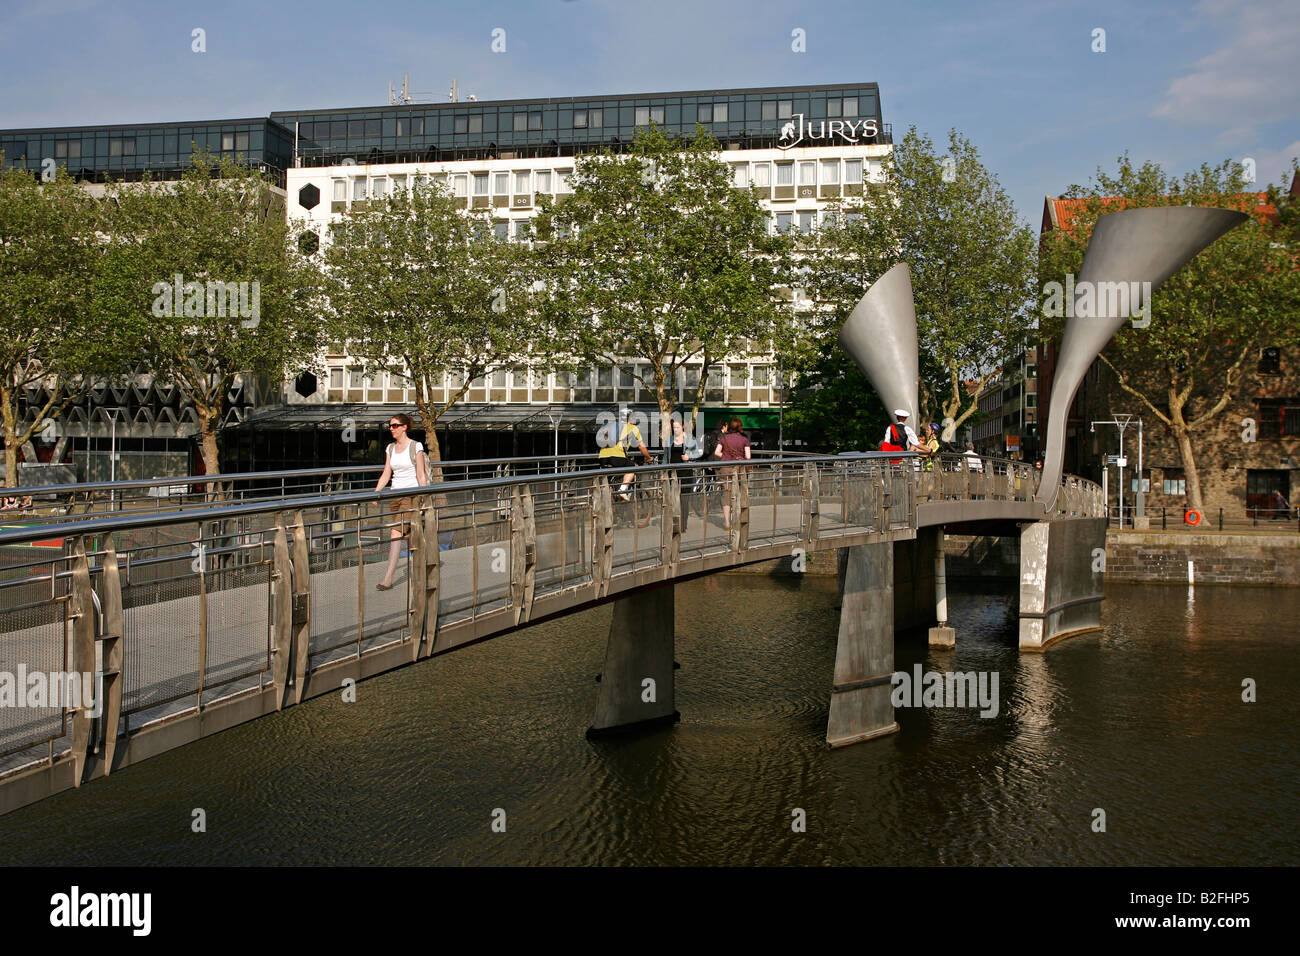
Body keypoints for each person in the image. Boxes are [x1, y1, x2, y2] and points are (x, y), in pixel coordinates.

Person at [374, 413, 428, 591]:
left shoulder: (416, 446)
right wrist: (377, 492)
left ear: (405, 427)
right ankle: (423, 566)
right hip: (395, 496)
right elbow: (386, 473)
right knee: (410, 534)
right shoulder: (390, 448)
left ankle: (388, 579)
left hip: (411, 495)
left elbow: (421, 475)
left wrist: (425, 498)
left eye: (395, 425)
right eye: (390, 426)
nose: (391, 429)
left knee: (395, 533)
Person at [598, 408, 651, 501]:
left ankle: (612, 499)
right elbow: (641, 447)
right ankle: (622, 490)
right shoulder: (633, 428)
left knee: (610, 478)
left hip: (602, 457)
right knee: (631, 467)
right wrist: (648, 457)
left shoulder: (612, 426)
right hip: (617, 457)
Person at [713, 416, 751, 531]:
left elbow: (716, 452)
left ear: (729, 426)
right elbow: (748, 457)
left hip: (725, 468)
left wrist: (725, 457)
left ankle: (727, 523)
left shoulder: (723, 439)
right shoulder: (744, 440)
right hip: (739, 469)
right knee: (739, 493)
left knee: (726, 494)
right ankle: (737, 520)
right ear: (740, 427)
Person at [668, 414, 703, 530]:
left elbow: (699, 452)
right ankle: (674, 523)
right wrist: (663, 472)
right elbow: (664, 457)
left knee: (684, 499)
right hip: (672, 473)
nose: (675, 429)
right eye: (674, 427)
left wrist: (689, 457)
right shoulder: (670, 439)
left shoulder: (689, 438)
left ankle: (682, 525)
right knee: (673, 499)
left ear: (682, 426)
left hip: (686, 472)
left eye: (677, 427)